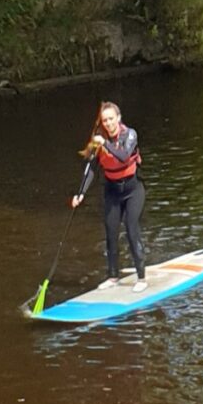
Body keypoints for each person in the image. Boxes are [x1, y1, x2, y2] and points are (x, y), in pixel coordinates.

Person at [71, 99, 148, 287]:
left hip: (133, 190)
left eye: (111, 119)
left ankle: (141, 277)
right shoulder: (99, 141)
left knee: (131, 230)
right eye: (105, 121)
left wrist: (104, 142)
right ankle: (113, 276)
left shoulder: (130, 134)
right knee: (111, 232)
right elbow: (91, 169)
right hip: (112, 191)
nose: (109, 124)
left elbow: (123, 157)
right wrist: (80, 193)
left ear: (118, 118)